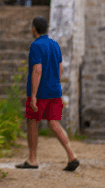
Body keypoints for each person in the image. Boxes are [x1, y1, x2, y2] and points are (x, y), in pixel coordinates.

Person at [15, 16, 79, 172]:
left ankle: (32, 159)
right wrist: (57, 87)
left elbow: (37, 69)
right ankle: (72, 156)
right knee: (54, 124)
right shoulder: (55, 45)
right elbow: (60, 69)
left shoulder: (36, 46)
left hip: (40, 93)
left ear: (33, 29)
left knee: (32, 123)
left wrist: (34, 96)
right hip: (55, 91)